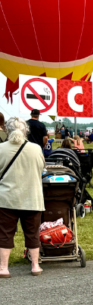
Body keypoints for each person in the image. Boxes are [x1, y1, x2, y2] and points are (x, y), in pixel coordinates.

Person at [0, 117, 46, 277]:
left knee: (5, 233)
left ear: (7, 130)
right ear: (26, 130)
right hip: (32, 197)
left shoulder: (1, 148)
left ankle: (3, 268)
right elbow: (41, 168)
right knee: (33, 233)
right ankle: (35, 266)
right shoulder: (35, 149)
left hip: (7, 198)